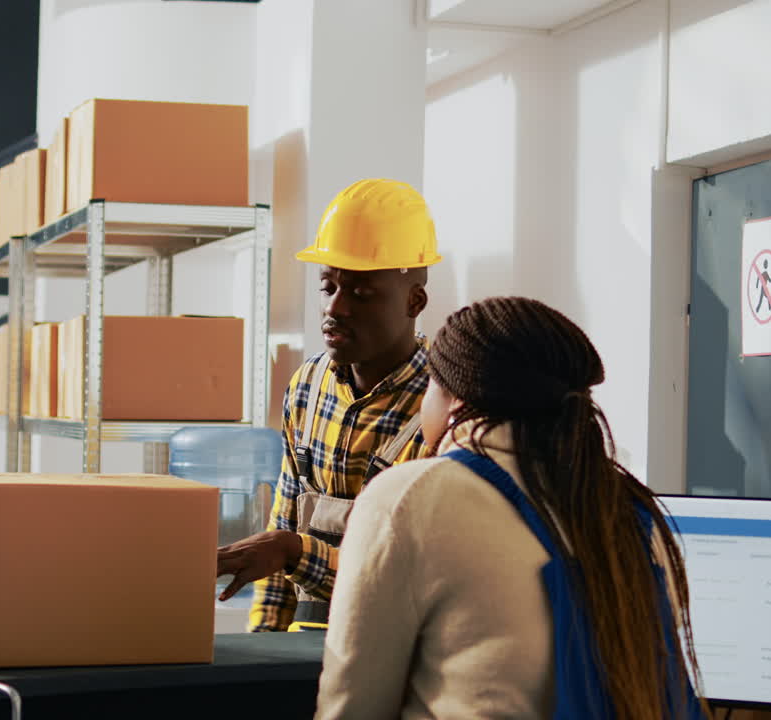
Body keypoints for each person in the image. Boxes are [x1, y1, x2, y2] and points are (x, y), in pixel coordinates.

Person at [316, 296, 706, 719]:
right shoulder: (633, 513)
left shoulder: (411, 497)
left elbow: (352, 708)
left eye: (430, 383)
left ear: (455, 400)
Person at [216, 178, 443, 632]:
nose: (335, 308)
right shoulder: (307, 387)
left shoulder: (443, 405)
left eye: (362, 293)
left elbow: (417, 575)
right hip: (304, 649)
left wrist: (293, 551)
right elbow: (281, 531)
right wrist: (265, 652)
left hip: (394, 654)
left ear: (414, 300)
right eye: (328, 286)